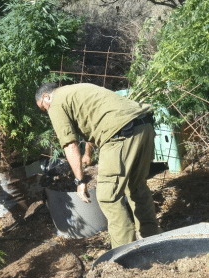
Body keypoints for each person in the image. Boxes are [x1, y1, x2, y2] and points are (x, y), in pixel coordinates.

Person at [35, 82, 162, 248]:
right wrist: (87, 154)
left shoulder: (56, 102)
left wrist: (80, 182)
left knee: (107, 196)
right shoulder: (76, 90)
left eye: (44, 108)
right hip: (143, 125)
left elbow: (70, 145)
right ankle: (153, 239)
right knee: (136, 186)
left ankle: (125, 252)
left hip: (120, 133)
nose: (46, 111)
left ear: (46, 96)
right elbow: (93, 122)